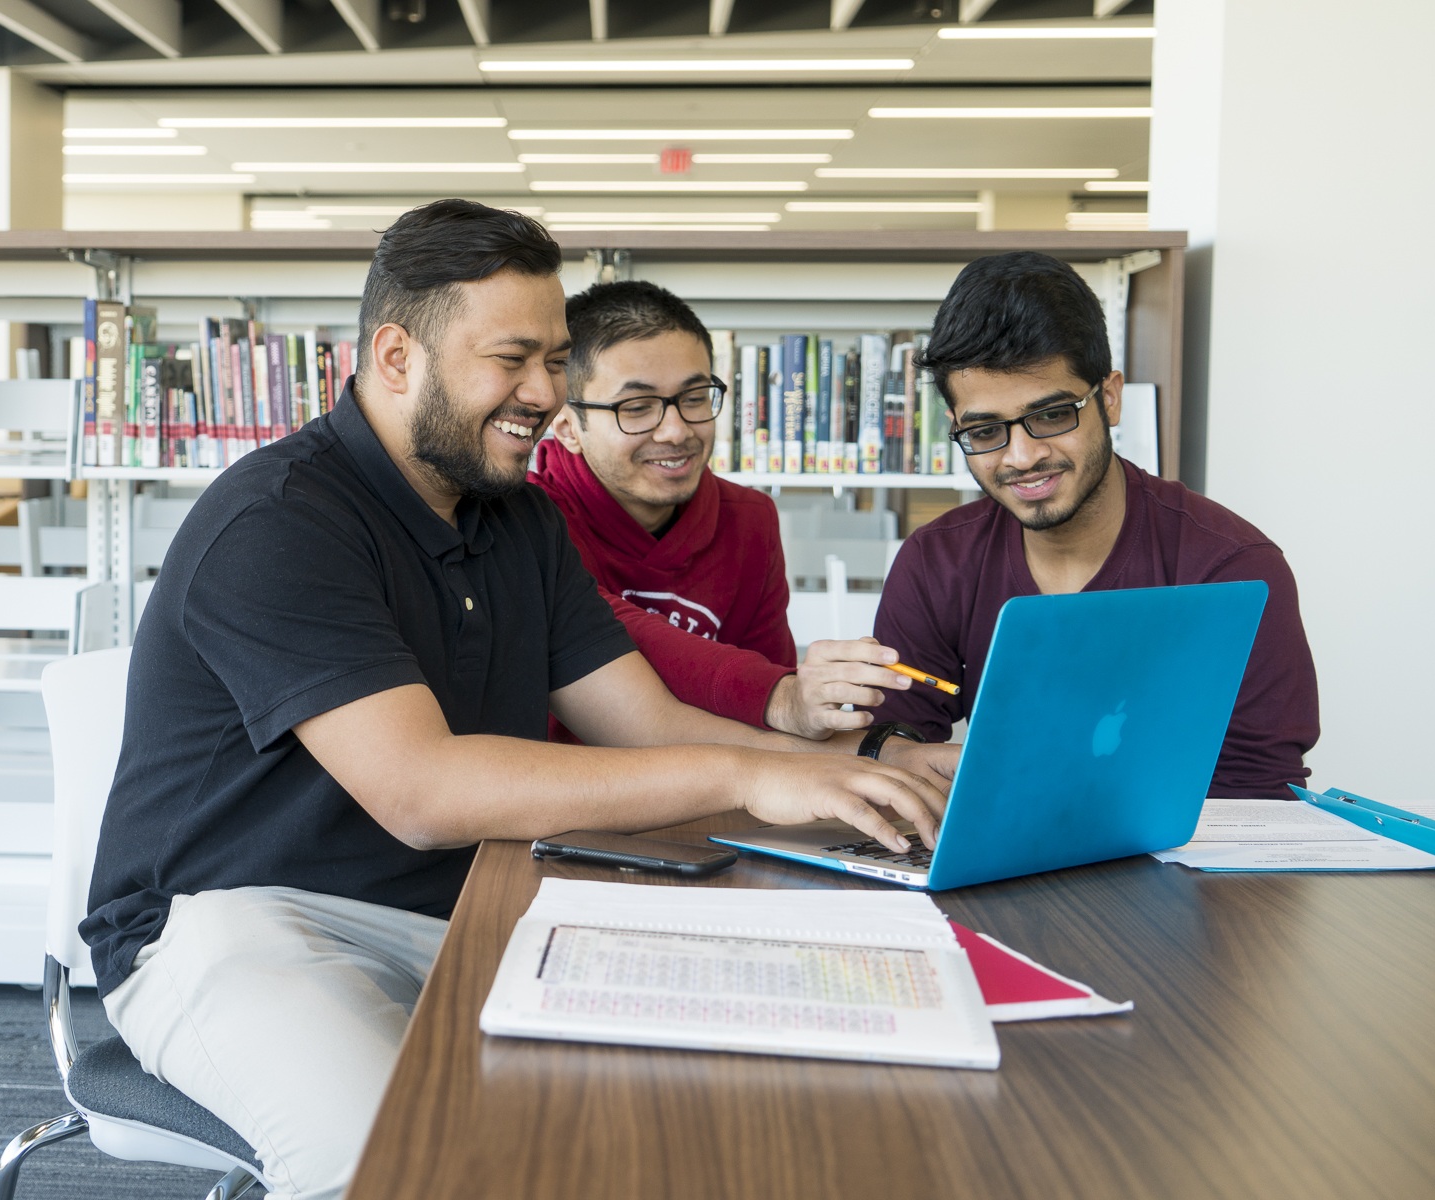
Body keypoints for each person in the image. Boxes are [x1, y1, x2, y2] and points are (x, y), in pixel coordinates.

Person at [80, 200, 958, 1200]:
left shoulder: (521, 521)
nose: (546, 391)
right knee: (387, 1165)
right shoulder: (280, 523)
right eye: (515, 359)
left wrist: (858, 773)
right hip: (232, 923)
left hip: (470, 911)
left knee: (694, 1094)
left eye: (554, 358)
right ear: (398, 355)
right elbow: (424, 791)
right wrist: (751, 774)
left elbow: (646, 723)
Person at [873, 250, 1320, 797]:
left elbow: (1262, 792)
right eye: (986, 430)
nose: (1020, 456)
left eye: (1051, 415)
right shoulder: (934, 562)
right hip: (997, 863)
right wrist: (892, 750)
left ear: (1109, 398)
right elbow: (893, 741)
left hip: (1176, 869)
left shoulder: (1232, 568)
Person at [532, 279, 925, 741]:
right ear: (567, 427)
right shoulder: (526, 519)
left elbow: (776, 709)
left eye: (695, 398)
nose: (677, 431)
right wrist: (778, 696)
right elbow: (605, 629)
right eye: (637, 408)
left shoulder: (750, 518)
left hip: (717, 793)